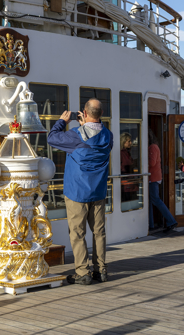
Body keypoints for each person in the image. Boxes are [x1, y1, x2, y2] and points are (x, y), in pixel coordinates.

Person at [47, 98, 113, 285]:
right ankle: (100, 271)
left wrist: (63, 121)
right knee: (99, 232)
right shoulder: (108, 135)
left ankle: (83, 273)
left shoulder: (76, 135)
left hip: (77, 192)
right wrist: (86, 124)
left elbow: (52, 138)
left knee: (78, 233)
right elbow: (95, 138)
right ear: (101, 115)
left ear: (84, 113)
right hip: (98, 191)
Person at [148, 129, 178, 233]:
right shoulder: (154, 146)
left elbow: (151, 163)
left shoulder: (152, 147)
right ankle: (150, 224)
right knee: (150, 201)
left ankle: (171, 220)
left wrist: (140, 163)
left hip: (152, 178)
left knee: (156, 200)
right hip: (153, 177)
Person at [120, 132, 138, 201]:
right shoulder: (122, 153)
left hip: (129, 181)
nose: (131, 143)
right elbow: (124, 165)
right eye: (129, 141)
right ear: (123, 142)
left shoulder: (127, 152)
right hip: (126, 181)